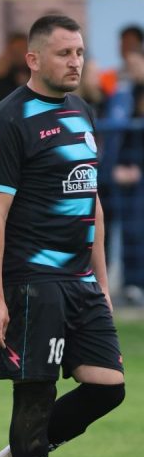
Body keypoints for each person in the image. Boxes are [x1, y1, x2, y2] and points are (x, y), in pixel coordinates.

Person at [0, 14, 125, 457]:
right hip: (32, 280)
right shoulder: (7, 120)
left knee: (108, 388)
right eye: (64, 53)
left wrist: (101, 282)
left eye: (79, 51)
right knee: (35, 396)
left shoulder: (82, 111)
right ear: (33, 59)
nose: (75, 62)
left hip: (80, 280)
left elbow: (92, 201)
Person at [83, 25, 144, 304]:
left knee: (133, 229)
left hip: (127, 172)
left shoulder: (127, 93)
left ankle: (132, 284)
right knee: (104, 230)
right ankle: (104, 284)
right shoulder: (115, 93)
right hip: (111, 175)